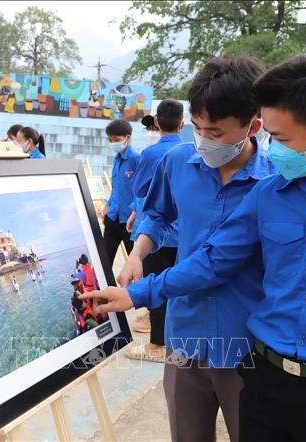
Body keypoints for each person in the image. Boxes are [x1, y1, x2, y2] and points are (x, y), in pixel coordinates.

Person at [83, 53, 306, 442]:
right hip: (262, 378)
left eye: (281, 139)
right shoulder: (270, 195)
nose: (274, 147)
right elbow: (213, 259)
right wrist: (137, 291)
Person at [103, 56, 274, 441]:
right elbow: (158, 214)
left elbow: (215, 263)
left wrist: (137, 293)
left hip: (246, 344)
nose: (203, 141)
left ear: (254, 127)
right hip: (185, 336)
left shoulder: (274, 184)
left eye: (215, 132)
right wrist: (137, 253)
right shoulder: (179, 161)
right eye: (196, 128)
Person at [124, 100, 186, 360]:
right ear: (183, 124)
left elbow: (140, 189)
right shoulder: (189, 150)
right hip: (183, 233)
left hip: (157, 234)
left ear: (157, 123)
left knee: (156, 286)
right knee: (178, 288)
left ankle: (157, 344)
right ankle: (174, 340)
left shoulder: (150, 154)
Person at [103, 119, 141, 267]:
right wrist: (108, 205)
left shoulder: (136, 159)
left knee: (132, 264)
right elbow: (116, 187)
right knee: (104, 259)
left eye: (117, 140)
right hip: (113, 217)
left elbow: (142, 191)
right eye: (110, 140)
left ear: (128, 137)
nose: (113, 143)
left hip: (129, 221)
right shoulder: (116, 159)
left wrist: (135, 211)